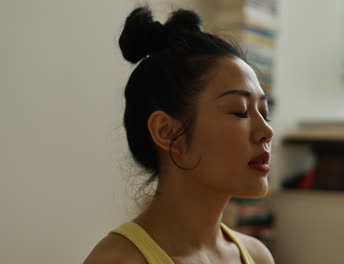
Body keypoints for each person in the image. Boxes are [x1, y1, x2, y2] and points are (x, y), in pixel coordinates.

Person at [84, 5, 275, 264]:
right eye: (240, 112)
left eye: (264, 112)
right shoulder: (119, 260)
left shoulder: (256, 256)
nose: (266, 131)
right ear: (167, 132)